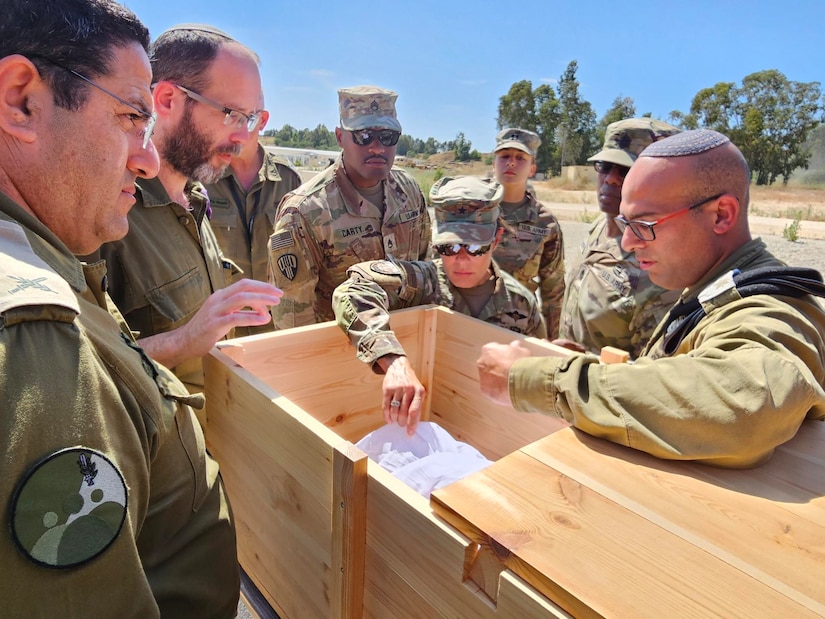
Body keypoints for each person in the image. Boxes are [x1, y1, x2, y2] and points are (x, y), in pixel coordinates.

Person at [0, 1, 238, 616]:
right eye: (130, 117)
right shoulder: (35, 338)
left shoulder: (54, 257)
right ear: (20, 101)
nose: (147, 157)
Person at [478, 129, 825, 468]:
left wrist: (535, 380)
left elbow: (746, 404)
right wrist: (596, 368)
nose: (628, 242)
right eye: (626, 223)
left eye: (645, 224)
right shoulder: (710, 283)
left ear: (721, 215)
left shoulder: (769, 307)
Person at [85, 24, 283, 396]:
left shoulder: (195, 198)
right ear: (168, 100)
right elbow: (80, 376)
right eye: (231, 114)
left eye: (251, 119)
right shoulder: (104, 211)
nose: (243, 137)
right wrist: (182, 341)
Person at [333, 176, 545, 436]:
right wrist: (393, 361)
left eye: (476, 247)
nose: (461, 260)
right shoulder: (423, 282)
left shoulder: (522, 305)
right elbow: (352, 289)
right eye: (449, 247)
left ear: (497, 238)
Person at [268, 85, 431, 329]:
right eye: (363, 136)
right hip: (339, 352)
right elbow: (292, 317)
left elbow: (426, 267)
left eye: (387, 137)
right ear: (340, 137)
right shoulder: (306, 211)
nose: (377, 147)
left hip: (406, 342)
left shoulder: (408, 191)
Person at [558, 118, 682, 357]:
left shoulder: (660, 269)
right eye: (605, 166)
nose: (611, 179)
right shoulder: (599, 227)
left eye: (626, 170)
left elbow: (650, 376)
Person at [204, 92, 302, 336]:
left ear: (263, 120)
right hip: (221, 326)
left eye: (245, 119)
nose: (235, 128)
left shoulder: (288, 180)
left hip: (275, 323)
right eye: (229, 117)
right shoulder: (203, 178)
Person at [491, 128, 565, 337]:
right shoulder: (474, 211)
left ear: (532, 168)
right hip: (467, 321)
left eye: (520, 158)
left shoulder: (545, 224)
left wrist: (550, 344)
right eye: (504, 156)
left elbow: (554, 292)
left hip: (518, 329)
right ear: (493, 163)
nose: (511, 162)